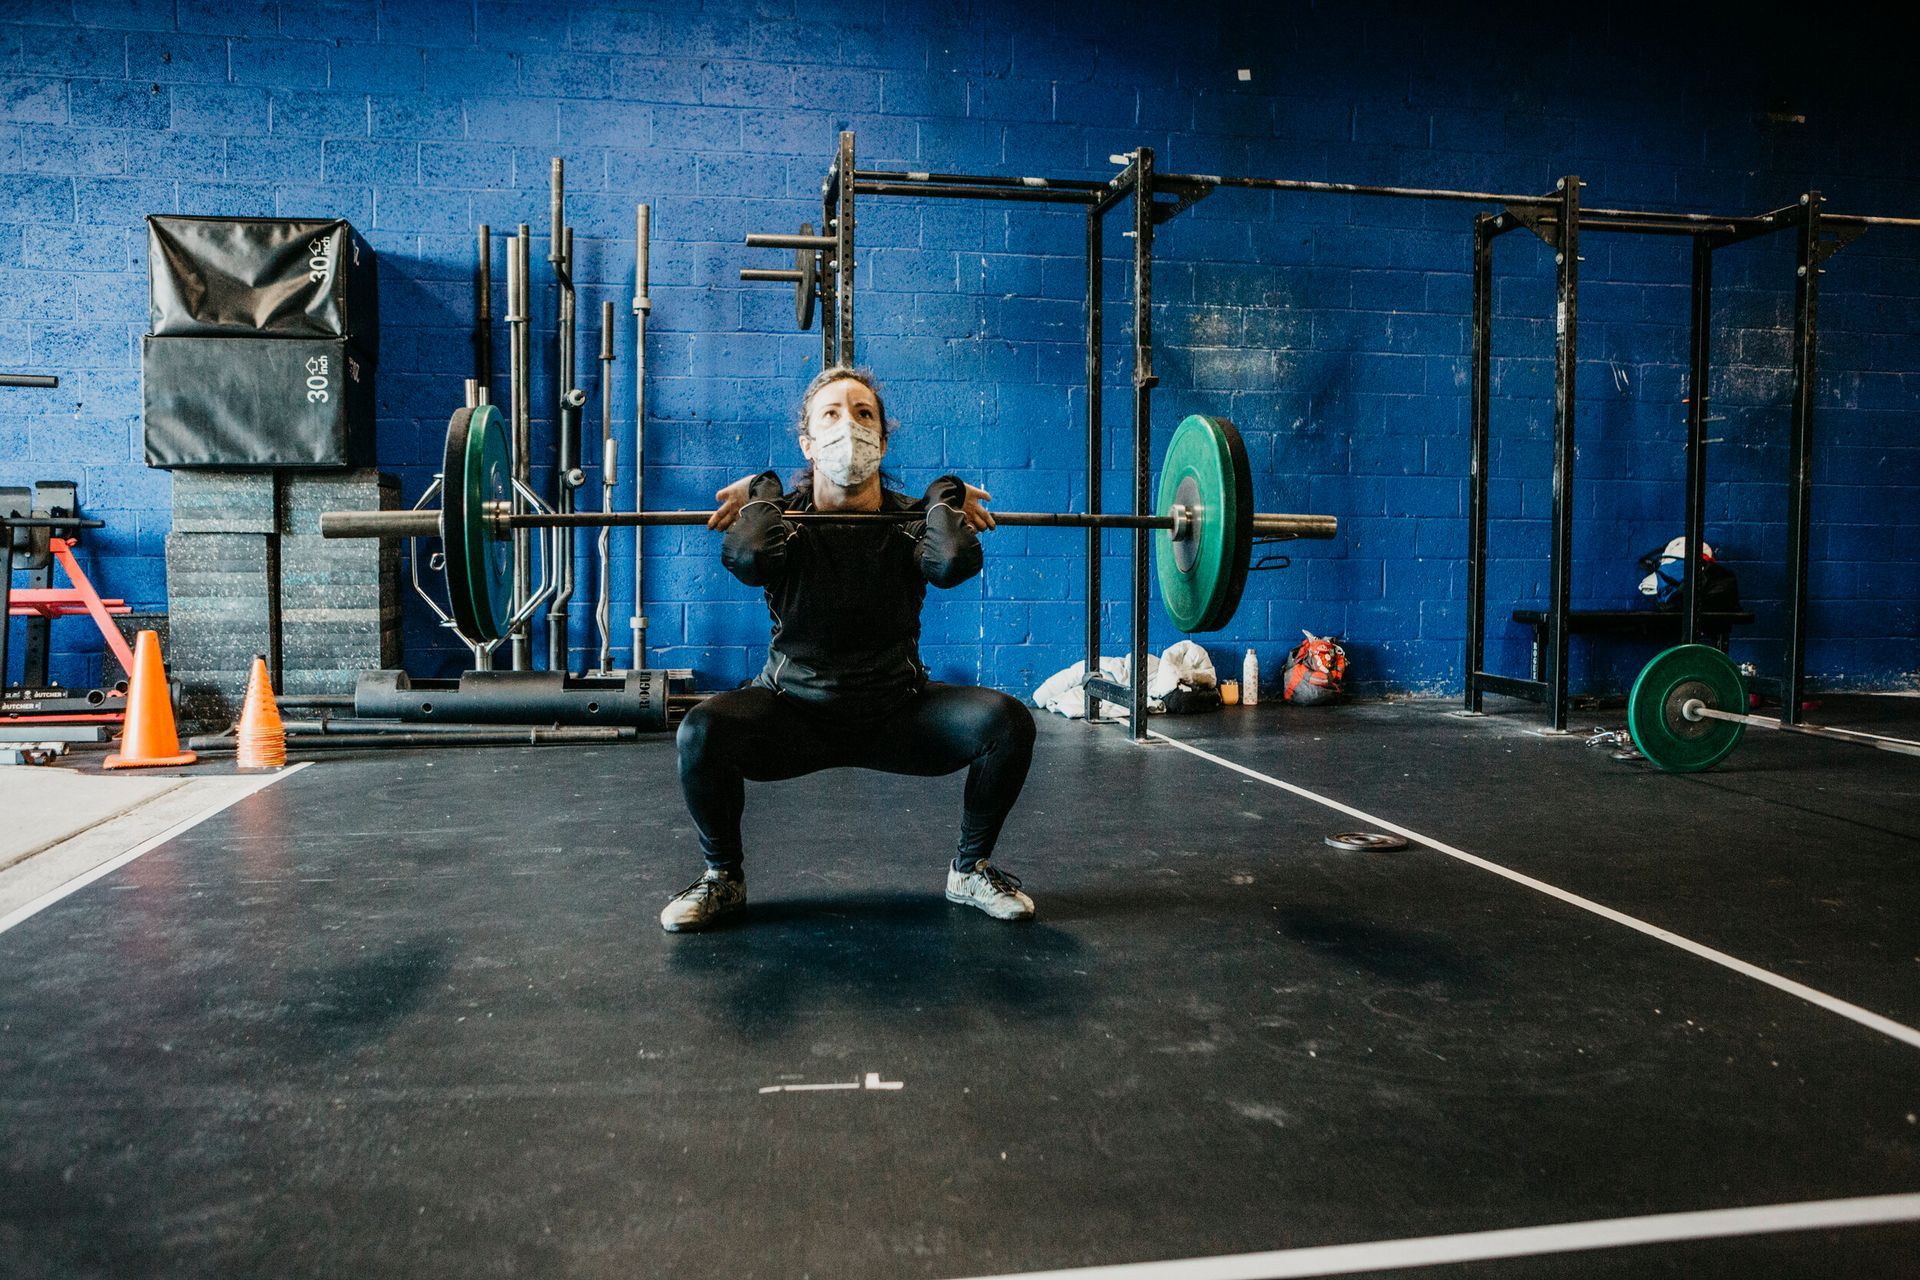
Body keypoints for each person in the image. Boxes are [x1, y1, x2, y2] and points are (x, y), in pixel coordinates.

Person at [662, 366, 1039, 932]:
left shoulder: (913, 518)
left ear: (884, 440)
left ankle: (969, 870)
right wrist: (765, 493)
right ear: (808, 442)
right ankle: (723, 879)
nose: (850, 426)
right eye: (831, 415)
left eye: (864, 414)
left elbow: (953, 564)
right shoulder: (784, 518)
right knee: (701, 729)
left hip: (896, 711)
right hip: (792, 712)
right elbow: (748, 560)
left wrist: (944, 495)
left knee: (1007, 723)